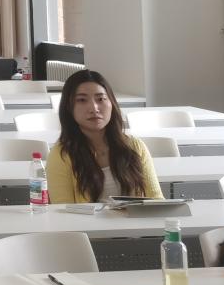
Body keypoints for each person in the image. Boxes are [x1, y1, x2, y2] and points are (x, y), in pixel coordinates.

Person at [47, 70, 161, 203]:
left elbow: (157, 200)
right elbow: (61, 210)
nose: (94, 108)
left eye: (100, 99)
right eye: (82, 100)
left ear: (111, 103)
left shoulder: (135, 146)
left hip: (134, 218)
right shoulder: (61, 155)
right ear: (69, 108)